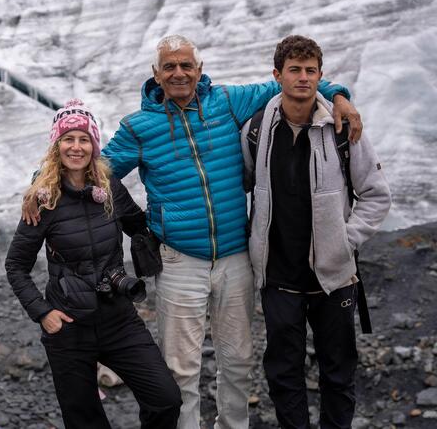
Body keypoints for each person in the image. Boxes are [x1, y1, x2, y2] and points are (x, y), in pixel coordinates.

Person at [23, 34, 363, 429]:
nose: (179, 73)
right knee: (180, 370)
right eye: (170, 66)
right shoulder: (139, 128)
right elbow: (90, 166)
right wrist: (39, 184)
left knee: (237, 361)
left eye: (186, 65)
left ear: (199, 70)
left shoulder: (227, 101)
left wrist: (338, 96)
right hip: (180, 260)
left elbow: (292, 83)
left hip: (236, 257)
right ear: (156, 74)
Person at [241, 36, 390, 429]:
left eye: (310, 71)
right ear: (278, 75)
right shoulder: (256, 131)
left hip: (334, 280)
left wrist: (345, 241)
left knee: (338, 374)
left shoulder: (342, 129)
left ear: (321, 76)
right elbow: (240, 186)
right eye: (295, 70)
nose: (303, 78)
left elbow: (376, 195)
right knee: (283, 376)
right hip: (279, 280)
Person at [5, 99, 182, 429]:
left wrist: (179, 220)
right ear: (57, 146)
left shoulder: (109, 187)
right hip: (68, 325)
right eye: (68, 139)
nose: (76, 147)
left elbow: (138, 225)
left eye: (84, 139)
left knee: (165, 399)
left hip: (118, 317)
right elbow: (15, 264)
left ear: (94, 144)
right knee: (84, 420)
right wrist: (43, 313)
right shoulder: (43, 199)